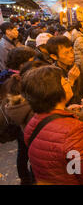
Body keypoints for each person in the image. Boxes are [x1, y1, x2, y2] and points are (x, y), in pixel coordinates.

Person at [22, 65, 83, 185]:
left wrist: (82, 141)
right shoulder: (74, 131)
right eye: (65, 81)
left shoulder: (33, 122)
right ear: (55, 92)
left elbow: (69, 162)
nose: (68, 81)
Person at [0, 47, 37, 185]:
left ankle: (25, 179)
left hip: (17, 124)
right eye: (31, 61)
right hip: (21, 124)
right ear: (22, 64)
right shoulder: (17, 80)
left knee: (22, 153)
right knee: (29, 154)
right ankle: (30, 179)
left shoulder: (7, 75)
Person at [46, 36, 83, 106]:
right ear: (54, 56)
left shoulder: (79, 67)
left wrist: (81, 102)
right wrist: (71, 82)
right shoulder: (52, 74)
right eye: (66, 53)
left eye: (71, 50)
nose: (71, 55)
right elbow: (60, 102)